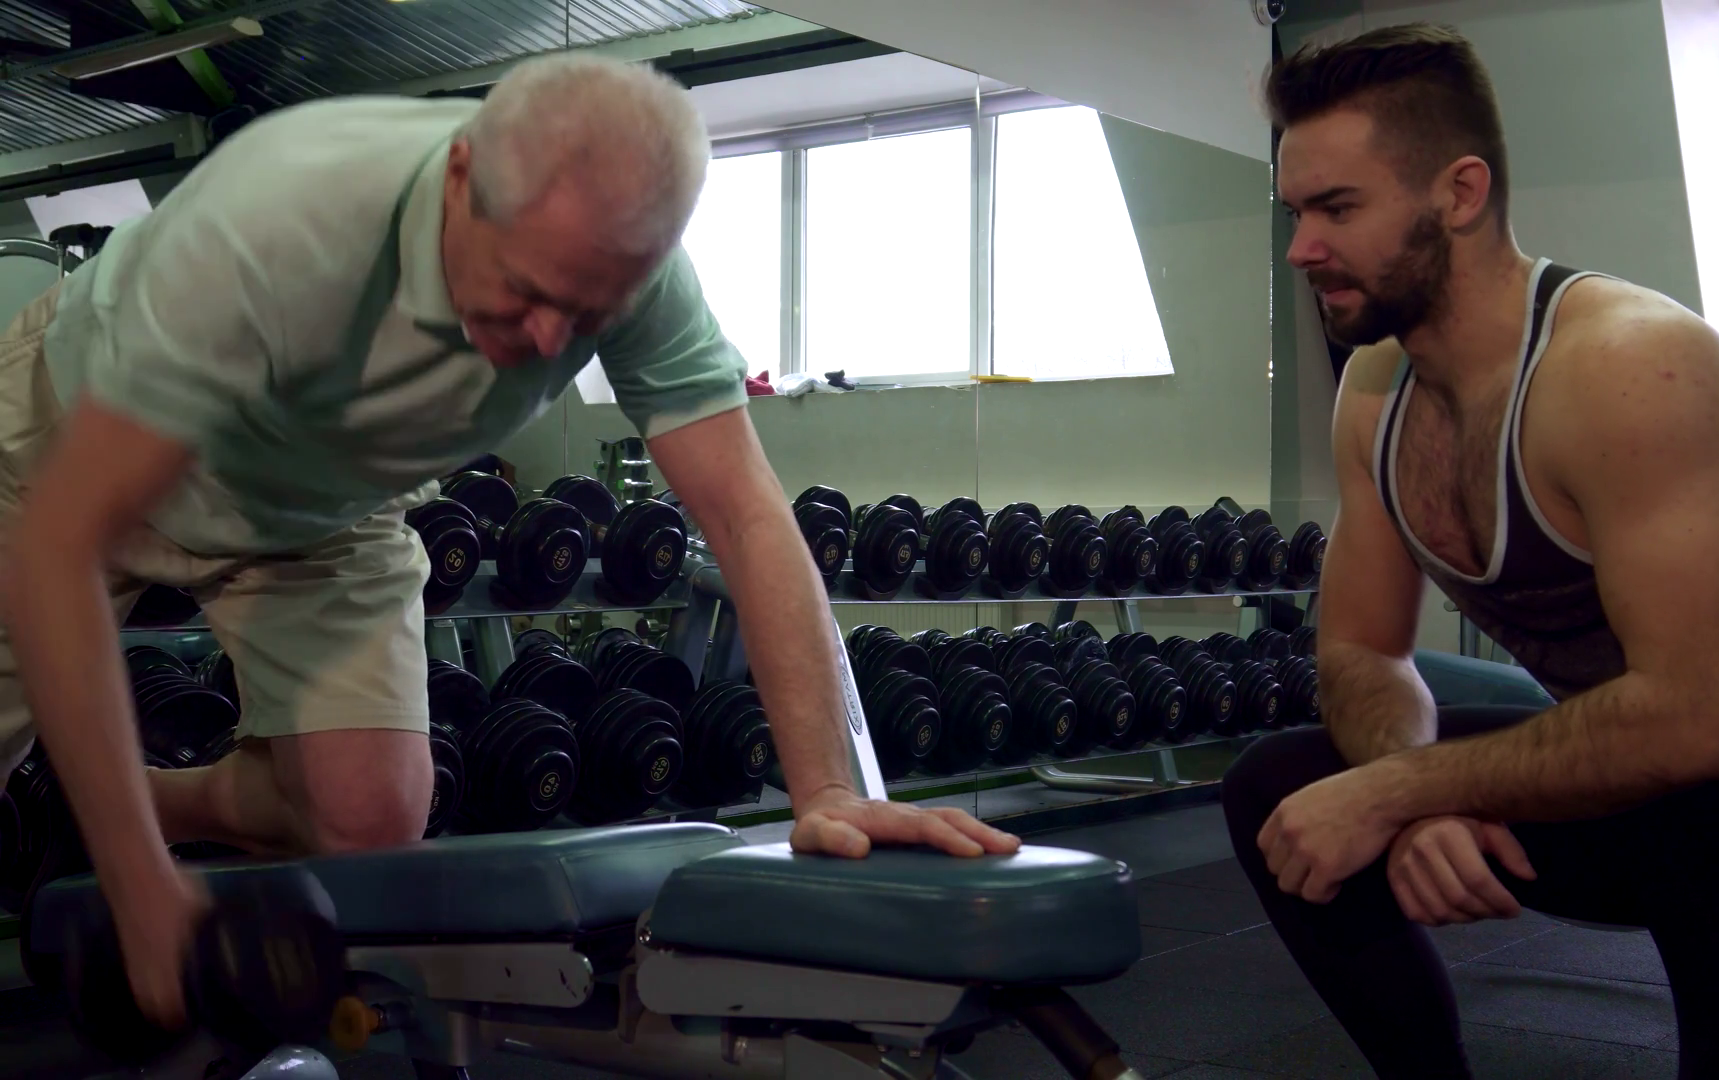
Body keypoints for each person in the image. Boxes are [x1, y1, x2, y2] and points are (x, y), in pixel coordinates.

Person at [0, 54, 1018, 1032]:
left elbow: (746, 513)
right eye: (527, 291)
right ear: (460, 177)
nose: (547, 342)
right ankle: (102, 815)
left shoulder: (626, 259)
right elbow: (56, 548)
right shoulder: (281, 221)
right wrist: (138, 883)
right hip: (72, 457)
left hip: (325, 500)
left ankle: (118, 801)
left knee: (370, 815)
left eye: (587, 314)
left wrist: (832, 787)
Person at [1220, 22, 1719, 1080]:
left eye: (1338, 209)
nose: (1301, 248)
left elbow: (1696, 723)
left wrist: (1398, 792)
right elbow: (1362, 651)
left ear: (1460, 193)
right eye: (1296, 212)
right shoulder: (1374, 392)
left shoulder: (1632, 369)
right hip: (1650, 805)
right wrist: (1407, 788)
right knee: (1285, 787)